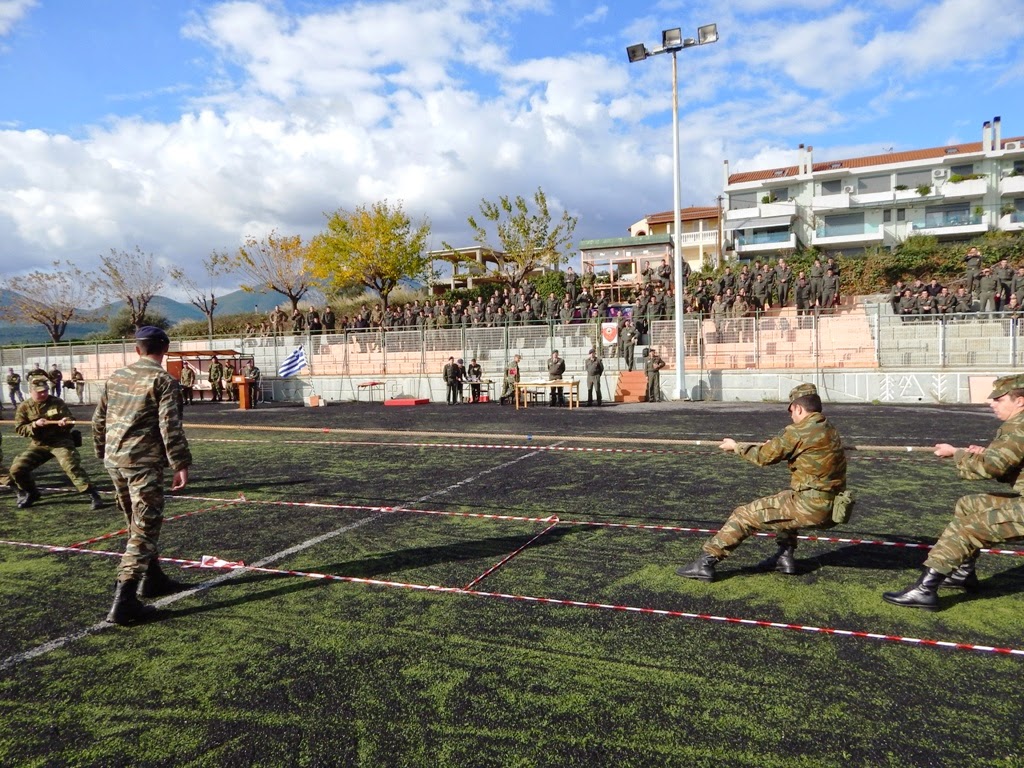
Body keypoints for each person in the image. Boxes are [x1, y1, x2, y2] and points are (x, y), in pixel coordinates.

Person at [677, 384, 849, 582]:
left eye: (791, 410)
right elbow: (801, 450)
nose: (790, 416)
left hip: (809, 507)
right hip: (833, 508)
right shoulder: (830, 429)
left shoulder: (797, 431)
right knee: (784, 503)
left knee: (743, 515)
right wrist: (778, 445)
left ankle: (706, 562)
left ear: (799, 409)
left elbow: (763, 457)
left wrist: (735, 447)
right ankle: (784, 558)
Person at [882, 374, 1024, 610]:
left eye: (999, 399)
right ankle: (962, 574)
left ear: (1020, 401)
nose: (992, 403)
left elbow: (993, 467)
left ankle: (925, 589)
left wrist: (957, 454)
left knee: (968, 529)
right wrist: (980, 455)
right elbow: (1007, 464)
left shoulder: (1019, 428)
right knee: (969, 504)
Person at [93, 326, 192, 625]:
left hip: (116, 461)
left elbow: (99, 420)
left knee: (135, 522)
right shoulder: (163, 380)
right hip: (142, 463)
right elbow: (170, 427)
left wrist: (103, 452)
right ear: (165, 350)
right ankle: (124, 601)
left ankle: (153, 578)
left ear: (137, 349)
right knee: (145, 527)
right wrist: (180, 463)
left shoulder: (116, 377)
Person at [10, 376, 105, 510]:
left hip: (61, 441)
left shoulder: (56, 402)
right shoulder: (24, 407)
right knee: (17, 469)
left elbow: (70, 419)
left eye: (45, 391)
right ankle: (32, 493)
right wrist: (34, 425)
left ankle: (92, 494)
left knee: (70, 465)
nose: (43, 394)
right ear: (31, 391)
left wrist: (65, 422)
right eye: (39, 392)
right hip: (39, 444)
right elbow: (20, 428)